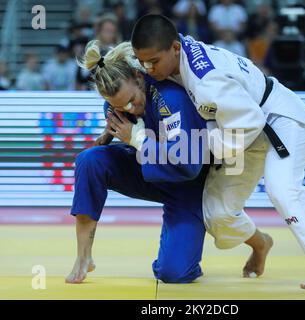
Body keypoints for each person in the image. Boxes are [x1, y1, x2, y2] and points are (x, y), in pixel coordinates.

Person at [131, 14, 305, 289]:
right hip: (239, 130)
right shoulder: (173, 52)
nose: (148, 68)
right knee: (216, 213)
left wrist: (200, 149)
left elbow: (250, 124)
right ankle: (260, 243)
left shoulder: (207, 81)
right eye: (143, 61)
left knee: (283, 190)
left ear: (175, 48)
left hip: (276, 120)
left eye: (153, 61)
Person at [66, 40, 209, 284]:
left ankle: (258, 241)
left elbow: (187, 166)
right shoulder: (117, 102)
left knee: (173, 273)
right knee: (89, 160)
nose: (129, 109)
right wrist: (108, 134)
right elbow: (117, 117)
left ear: (137, 76)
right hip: (150, 171)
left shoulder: (171, 99)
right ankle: (83, 256)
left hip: (189, 181)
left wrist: (137, 139)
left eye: (132, 100)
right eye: (119, 105)